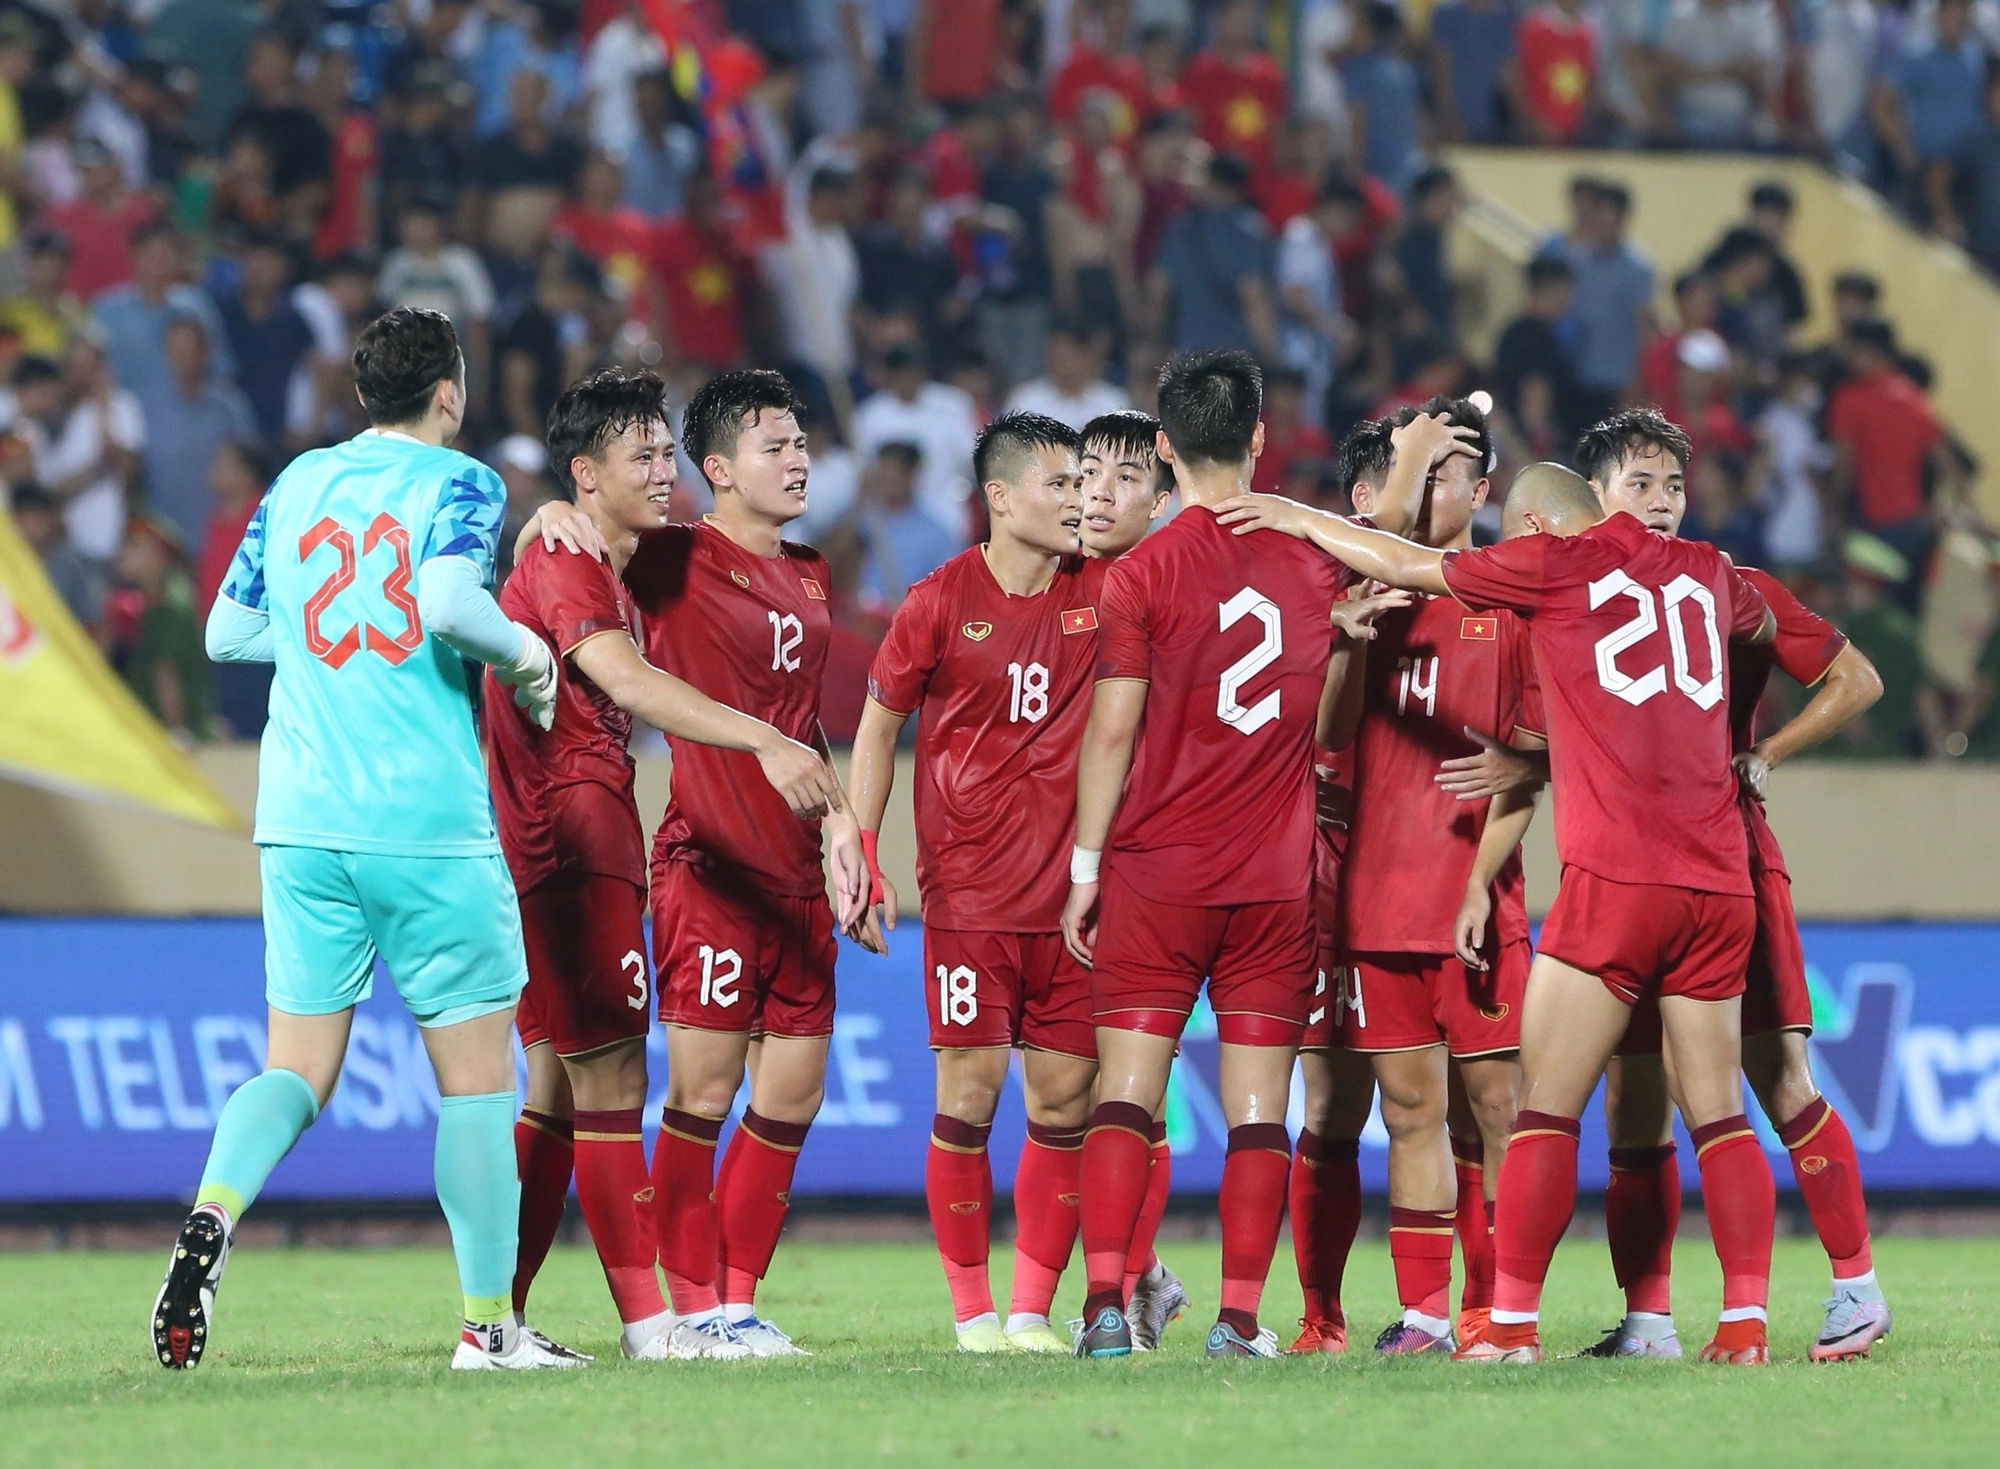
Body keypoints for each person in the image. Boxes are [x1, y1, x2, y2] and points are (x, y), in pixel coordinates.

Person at [1218, 445, 1785, 1367]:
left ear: (1524, 524)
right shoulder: (1712, 571)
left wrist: (1289, 515)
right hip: (1719, 875)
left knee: (1543, 1113)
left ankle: (1510, 1325)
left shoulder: (1551, 567)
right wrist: (1762, 745)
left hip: (1617, 880)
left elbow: (1403, 562)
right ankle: (1745, 1323)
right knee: (1719, 1111)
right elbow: (1784, 641)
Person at [157, 307, 574, 1373]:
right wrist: (527, 655)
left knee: (294, 1068)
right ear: (452, 390)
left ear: (359, 396)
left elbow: (224, 631)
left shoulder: (296, 482)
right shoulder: (465, 481)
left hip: (299, 820)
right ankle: (488, 1326)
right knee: (479, 1083)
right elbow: (444, 599)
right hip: (424, 821)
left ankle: (213, 1211)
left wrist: (320, 651)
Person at [489, 368, 840, 1362]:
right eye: (641, 456)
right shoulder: (590, 558)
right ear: (588, 473)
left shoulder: (658, 559)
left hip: (588, 836)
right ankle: (664, 1318)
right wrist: (541, 514)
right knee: (616, 1090)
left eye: (662, 452)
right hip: (581, 840)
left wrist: (843, 819)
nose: (663, 470)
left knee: (559, 1088)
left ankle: (496, 1317)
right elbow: (626, 676)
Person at [1562, 410, 1891, 1362]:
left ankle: (1856, 1286)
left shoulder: (1725, 584)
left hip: (1725, 860)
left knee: (1775, 1080)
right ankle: (1650, 1320)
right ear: (1597, 498)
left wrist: (1766, 751)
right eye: (1641, 483)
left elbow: (1855, 677)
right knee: (1631, 1096)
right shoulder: (1575, 587)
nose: (1662, 502)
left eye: (1673, 484)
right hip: (1627, 863)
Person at [1063, 350, 1347, 1360]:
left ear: (1163, 449)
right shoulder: (1317, 559)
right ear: (1260, 438)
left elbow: (1109, 733)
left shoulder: (1140, 570)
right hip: (1273, 880)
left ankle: (1103, 1305)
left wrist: (1084, 868)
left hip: (1152, 872)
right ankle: (1235, 1319)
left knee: (1126, 1089)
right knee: (1260, 1106)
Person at [845, 413, 1104, 1353]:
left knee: (1063, 1104)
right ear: (1000, 496)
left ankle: (1032, 1310)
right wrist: (862, 850)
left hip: (1077, 899)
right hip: (968, 893)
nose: (1078, 500)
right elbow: (877, 727)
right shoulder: (941, 598)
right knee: (970, 1090)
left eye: (1082, 484)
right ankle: (972, 1314)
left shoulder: (1105, 589)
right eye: (1059, 483)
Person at [1307, 401, 1540, 1359]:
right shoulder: (1373, 599)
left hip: (1477, 897)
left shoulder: (1515, 603)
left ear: (1480, 489)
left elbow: (1535, 756)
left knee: (1497, 1111)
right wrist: (1345, 644)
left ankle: (1504, 1311)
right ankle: (1428, 1316)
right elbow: (1326, 738)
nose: (1433, 487)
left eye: (1445, 471)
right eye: (1421, 470)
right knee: (1407, 1113)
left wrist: (1484, 881)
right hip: (1378, 900)